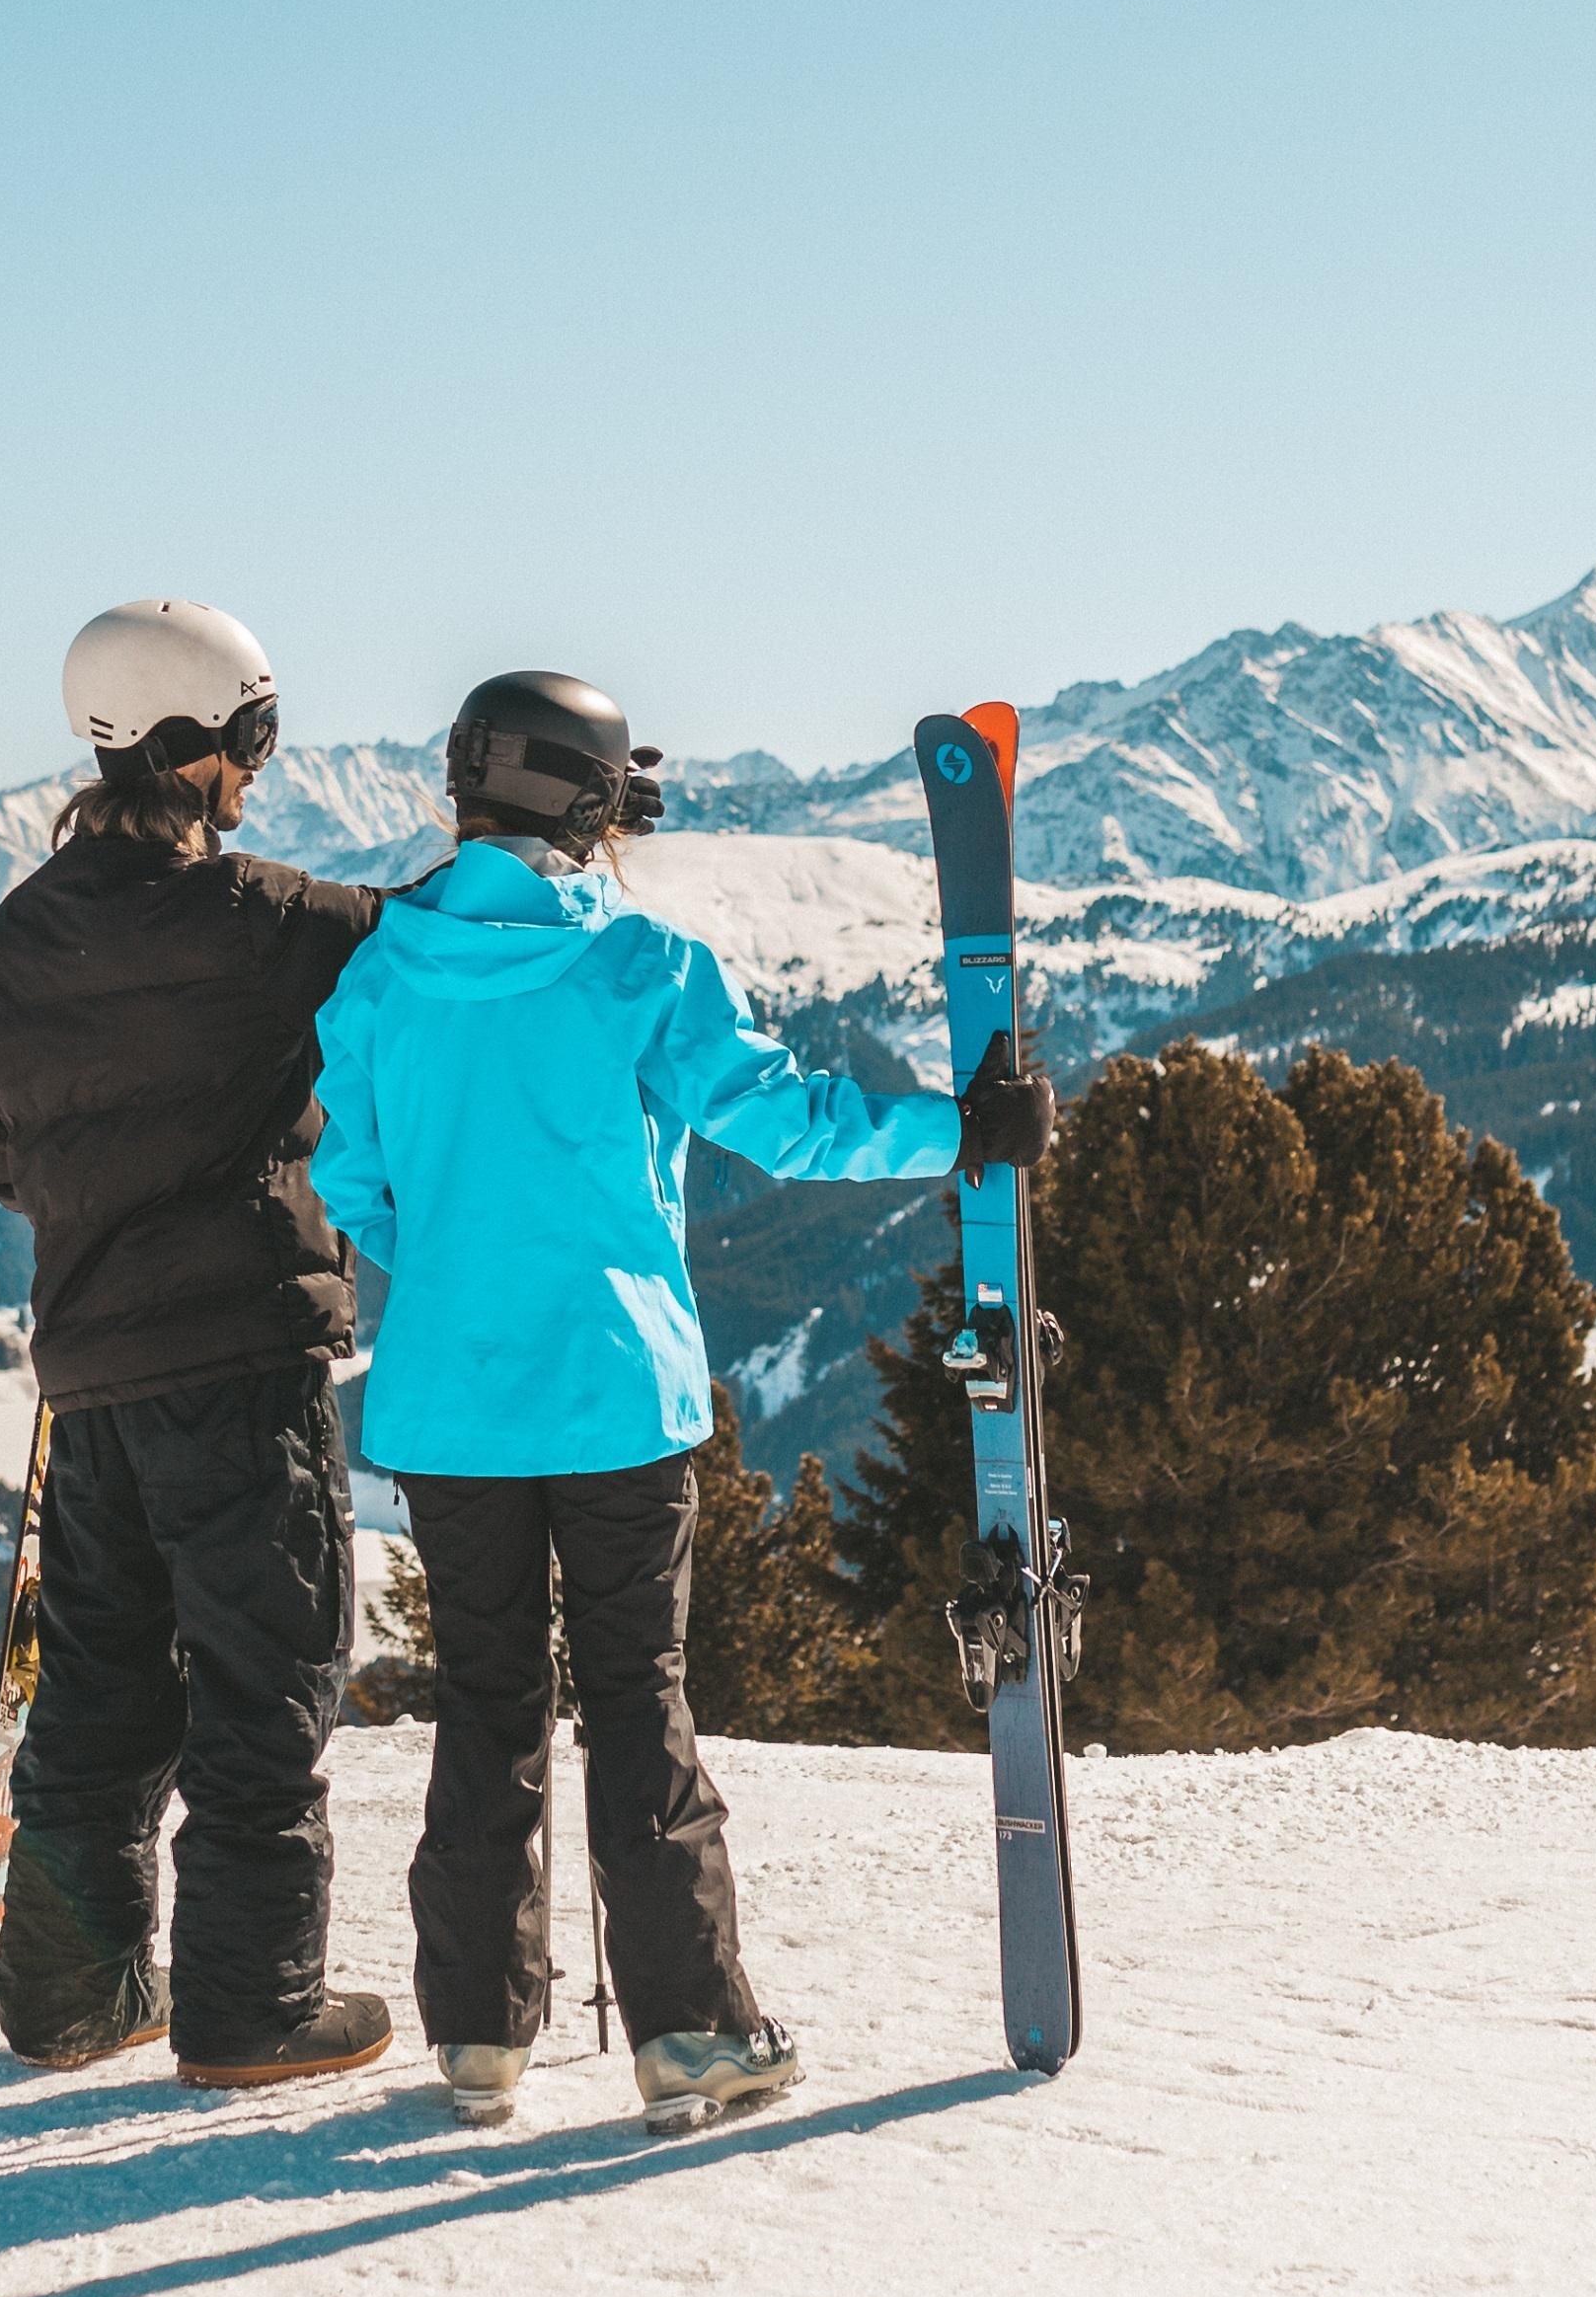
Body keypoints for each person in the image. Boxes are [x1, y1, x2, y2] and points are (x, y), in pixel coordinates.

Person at [309, 668, 1054, 2130]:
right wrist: (962, 1131)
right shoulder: (638, 966)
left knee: (484, 1710)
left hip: (450, 1412)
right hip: (614, 1403)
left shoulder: (380, 975)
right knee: (638, 1706)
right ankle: (691, 2038)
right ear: (589, 804)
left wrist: (465, 1277)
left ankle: (476, 2038)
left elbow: (355, 1187)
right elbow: (785, 1121)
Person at [0, 597, 394, 2089]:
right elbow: (429, 953)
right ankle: (251, 2007)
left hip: (90, 1380)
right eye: (254, 740)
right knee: (266, 1682)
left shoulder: (16, 937)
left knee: (97, 1690)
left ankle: (73, 1998)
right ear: (192, 746)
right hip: (239, 1362)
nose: (261, 772)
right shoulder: (264, 924)